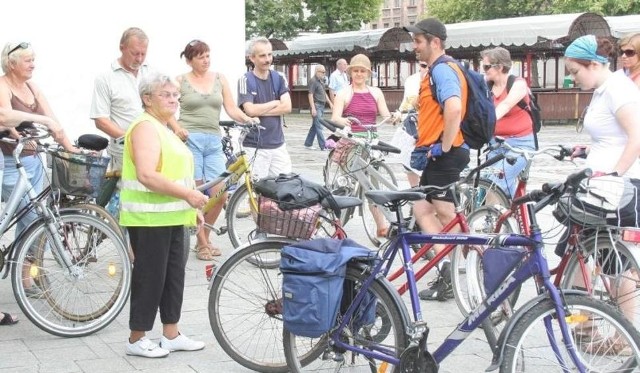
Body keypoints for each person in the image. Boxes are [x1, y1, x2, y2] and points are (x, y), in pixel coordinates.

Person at [120, 73, 208, 358]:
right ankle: (136, 338)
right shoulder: (145, 127)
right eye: (165, 94)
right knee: (150, 277)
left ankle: (171, 333)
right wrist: (188, 196)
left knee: (173, 278)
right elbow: (146, 175)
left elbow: (174, 173)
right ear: (147, 99)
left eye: (175, 95)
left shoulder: (162, 127)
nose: (173, 99)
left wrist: (189, 207)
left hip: (172, 215)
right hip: (149, 218)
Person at [565, 35, 640, 353]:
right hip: (601, 186)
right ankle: (589, 327)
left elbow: (637, 136)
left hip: (616, 189)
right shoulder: (602, 89)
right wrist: (587, 151)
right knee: (600, 255)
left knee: (611, 259)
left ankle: (624, 334)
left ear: (594, 64)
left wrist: (614, 175)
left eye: (574, 71)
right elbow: (612, 137)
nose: (571, 77)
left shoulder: (618, 89)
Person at [0, 42, 79, 298]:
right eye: (27, 60)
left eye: (33, 59)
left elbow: (53, 119)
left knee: (32, 217)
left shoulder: (33, 87)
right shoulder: (3, 85)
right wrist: (23, 131)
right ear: (12, 63)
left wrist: (71, 149)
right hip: (11, 162)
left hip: (32, 161)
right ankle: (25, 274)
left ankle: (25, 277)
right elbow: (5, 118)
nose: (33, 64)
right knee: (32, 216)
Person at [168, 39, 258, 261]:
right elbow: (166, 107)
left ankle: (204, 237)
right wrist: (177, 127)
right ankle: (202, 244)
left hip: (213, 141)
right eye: (200, 57)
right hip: (190, 141)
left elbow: (231, 108)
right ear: (190, 61)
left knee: (220, 193)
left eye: (208, 55)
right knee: (197, 195)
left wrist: (247, 118)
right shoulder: (180, 81)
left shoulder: (219, 78)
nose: (206, 60)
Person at [404, 18, 471, 301]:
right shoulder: (438, 70)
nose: (414, 47)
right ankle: (447, 265)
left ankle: (456, 272)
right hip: (436, 154)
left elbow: (453, 108)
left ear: (435, 42)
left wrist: (444, 146)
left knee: (446, 214)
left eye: (418, 41)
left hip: (445, 153)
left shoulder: (442, 70)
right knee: (420, 209)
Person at [331, 53, 393, 237]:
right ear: (350, 72)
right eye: (355, 71)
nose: (359, 74)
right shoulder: (344, 93)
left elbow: (386, 115)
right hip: (352, 142)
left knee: (373, 185)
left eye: (362, 71)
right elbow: (335, 117)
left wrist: (395, 118)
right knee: (349, 184)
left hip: (371, 142)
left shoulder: (376, 92)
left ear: (368, 73)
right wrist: (344, 121)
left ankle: (381, 225)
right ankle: (338, 226)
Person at [90, 27, 152, 172]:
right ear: (121, 47)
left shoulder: (152, 73)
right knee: (128, 193)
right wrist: (131, 139)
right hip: (124, 151)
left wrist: (176, 129)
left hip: (154, 147)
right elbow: (100, 120)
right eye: (135, 53)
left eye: (143, 54)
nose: (139, 59)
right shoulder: (105, 78)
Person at [481, 47, 536, 197]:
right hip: (496, 143)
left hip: (521, 143)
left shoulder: (517, 84)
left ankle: (491, 219)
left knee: (496, 182)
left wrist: (487, 122)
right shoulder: (487, 85)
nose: (484, 70)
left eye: (486, 67)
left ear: (499, 67)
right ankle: (510, 215)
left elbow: (505, 105)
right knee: (486, 180)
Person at [237, 37, 292, 180]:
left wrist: (260, 110)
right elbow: (250, 110)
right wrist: (275, 102)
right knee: (254, 193)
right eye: (262, 56)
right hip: (255, 145)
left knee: (284, 189)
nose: (267, 59)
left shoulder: (279, 77)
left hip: (278, 145)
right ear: (252, 58)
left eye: (269, 54)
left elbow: (287, 106)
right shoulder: (245, 80)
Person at [395, 62, 427, 187]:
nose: (426, 68)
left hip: (430, 125)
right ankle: (414, 191)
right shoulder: (411, 80)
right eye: (423, 65)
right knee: (409, 158)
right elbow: (406, 102)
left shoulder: (440, 78)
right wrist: (399, 112)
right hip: (412, 124)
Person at [304, 65, 332, 150]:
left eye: (324, 72)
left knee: (315, 126)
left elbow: (324, 93)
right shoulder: (313, 81)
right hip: (316, 105)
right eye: (322, 72)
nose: (324, 74)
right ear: (317, 71)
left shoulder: (321, 81)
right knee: (319, 126)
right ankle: (323, 145)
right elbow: (310, 94)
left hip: (321, 105)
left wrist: (330, 103)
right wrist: (313, 108)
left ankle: (308, 144)